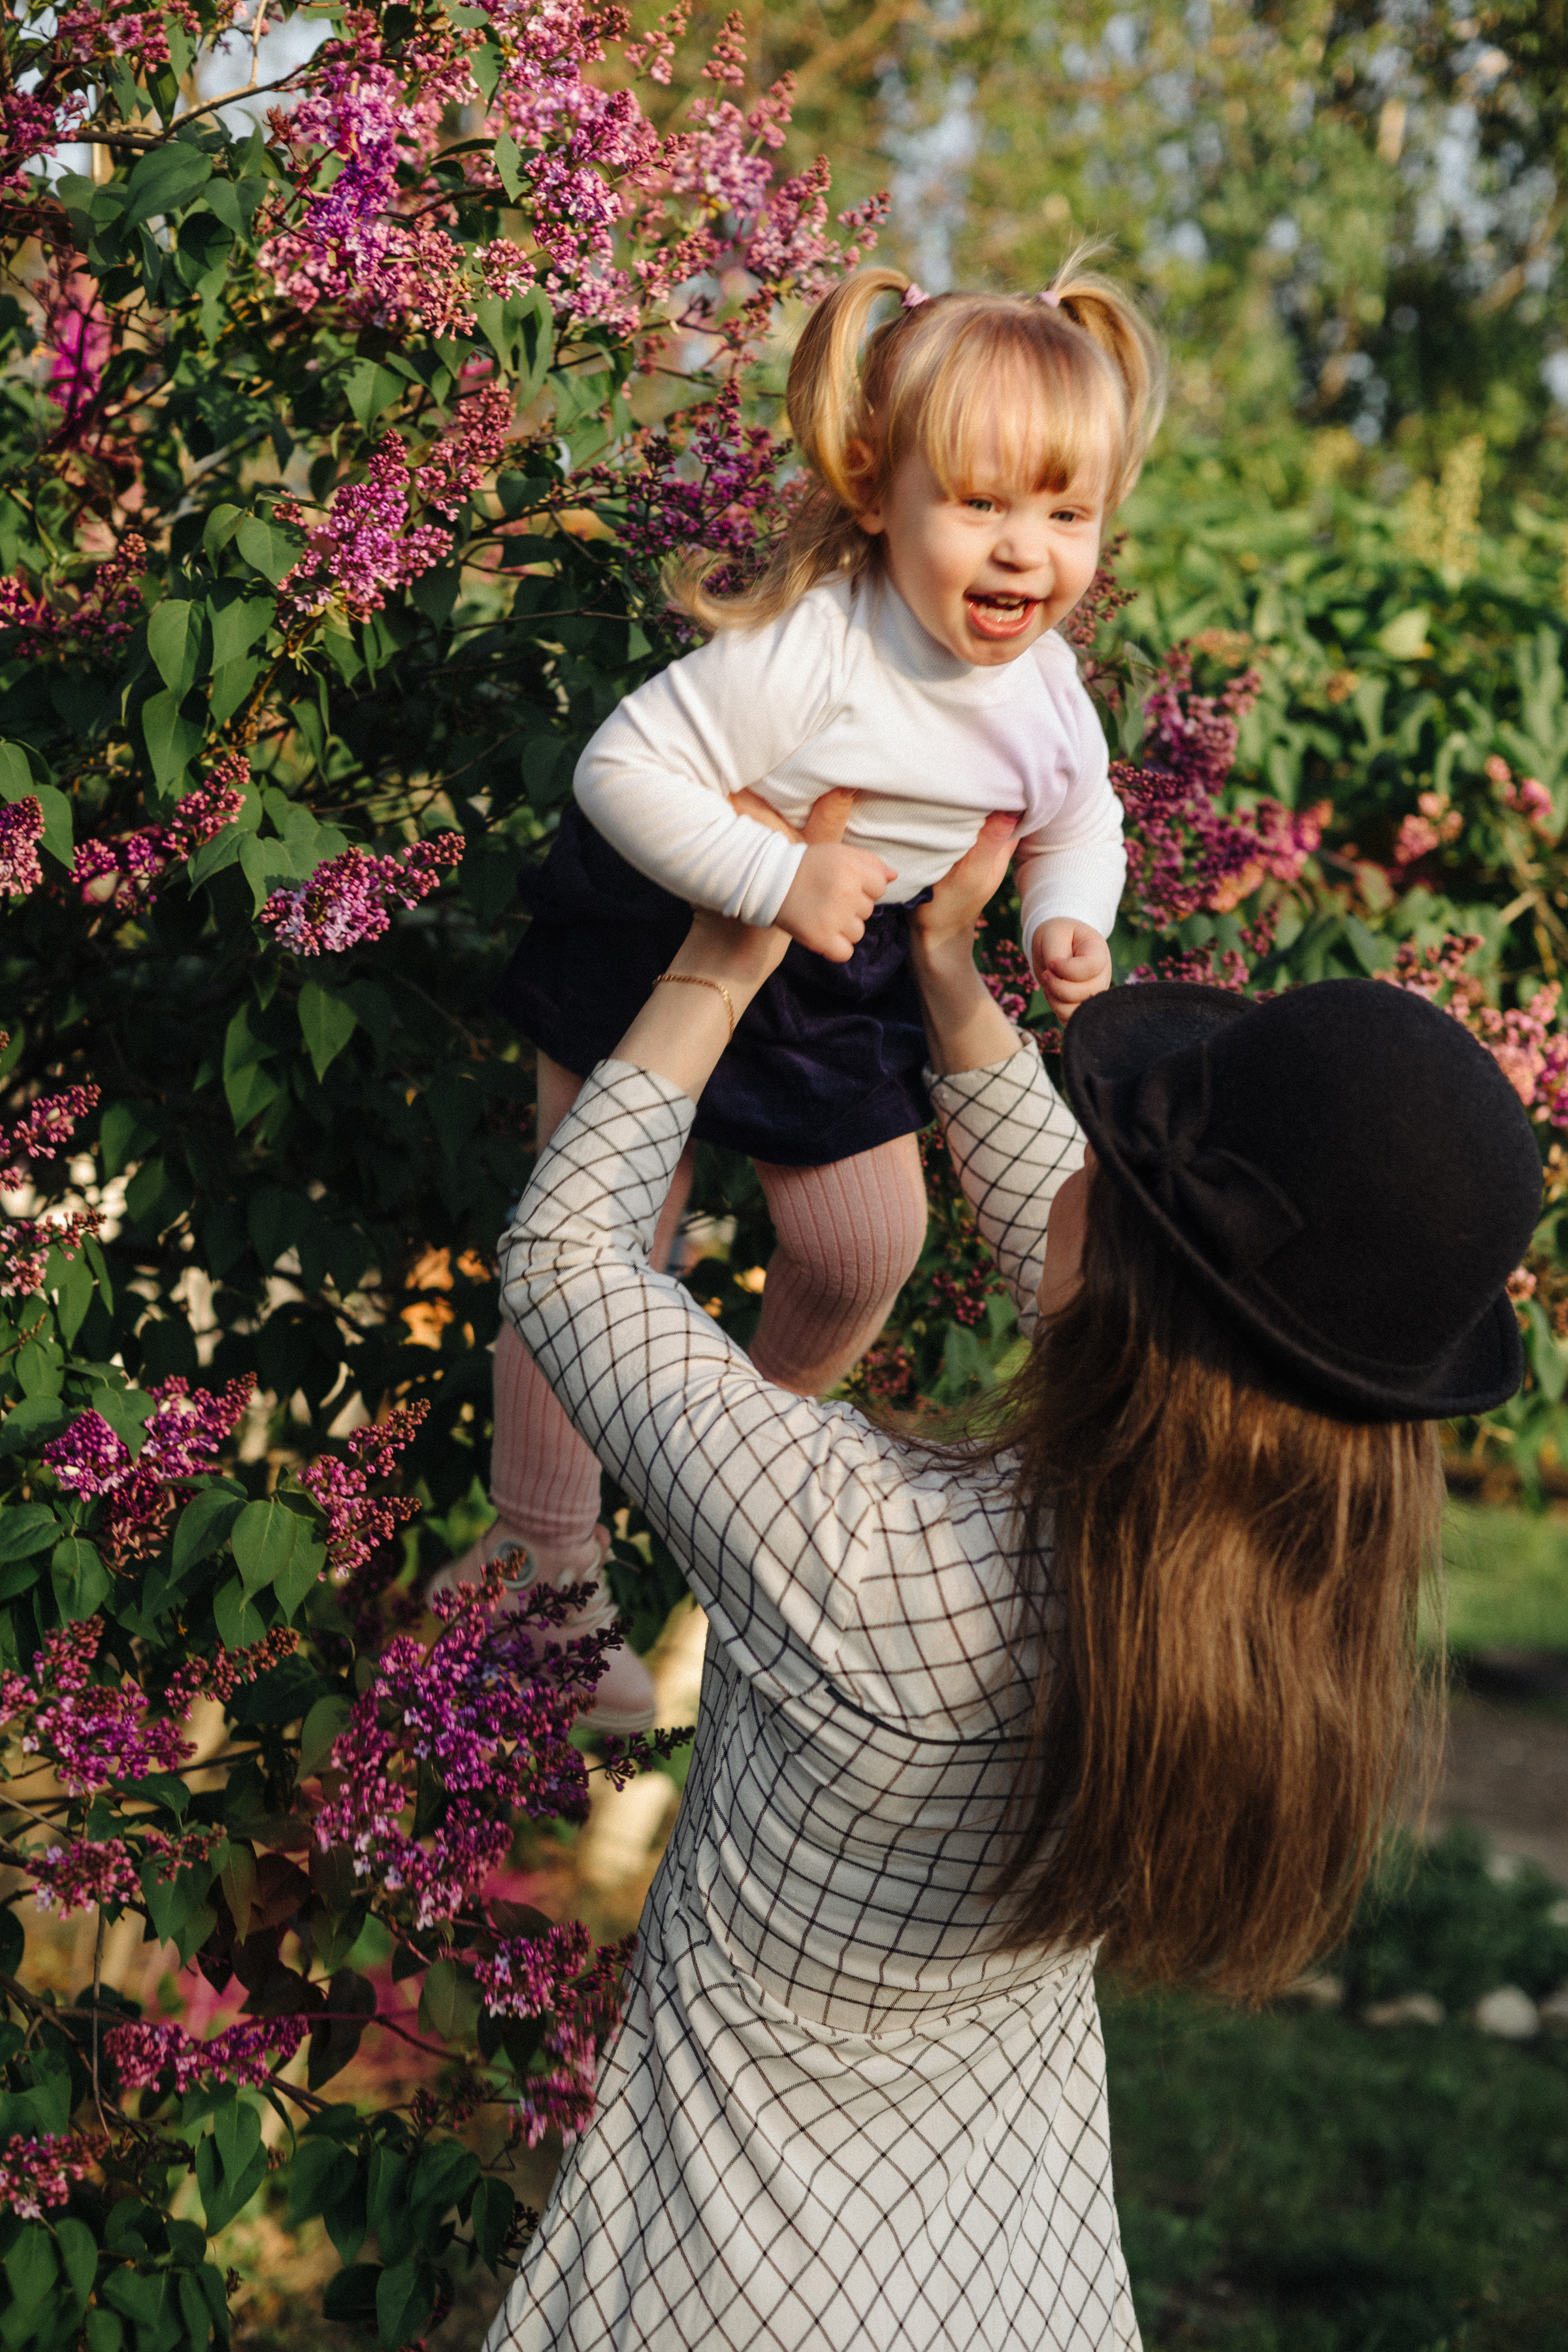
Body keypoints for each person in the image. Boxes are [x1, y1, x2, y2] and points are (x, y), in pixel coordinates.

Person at [480, 809, 1542, 2352]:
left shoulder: (862, 1550)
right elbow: (1121, 1278)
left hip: (720, 2282)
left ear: (1124, 1259)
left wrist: (716, 962)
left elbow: (573, 1259)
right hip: (1007, 2267)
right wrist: (953, 985)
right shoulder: (1253, 1595)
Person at [438, 258, 1166, 1729]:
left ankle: (736, 1474)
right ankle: (541, 1560)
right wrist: (766, 888)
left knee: (866, 1244)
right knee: (604, 1233)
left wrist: (1068, 921)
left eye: (1066, 514)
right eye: (981, 504)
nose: (1027, 552)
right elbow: (622, 771)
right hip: (670, 914)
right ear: (876, 488)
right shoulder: (815, 647)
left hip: (842, 963)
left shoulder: (1046, 695)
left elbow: (1082, 820)